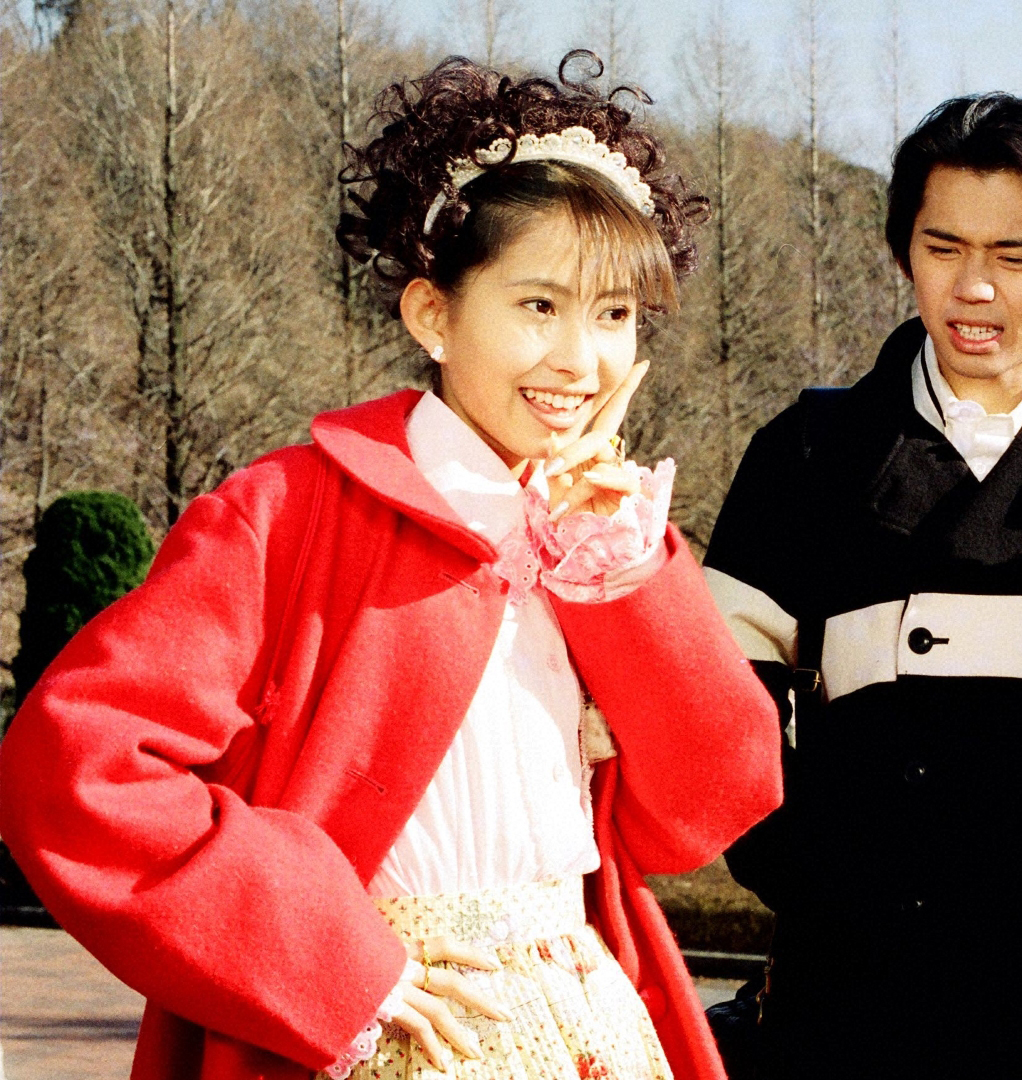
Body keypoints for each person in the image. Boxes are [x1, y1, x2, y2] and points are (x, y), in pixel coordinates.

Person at [0, 53, 780, 1080]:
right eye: (538, 306)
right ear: (432, 316)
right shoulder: (287, 512)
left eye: (614, 315)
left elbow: (712, 807)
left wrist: (629, 581)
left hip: (593, 1023)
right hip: (382, 1031)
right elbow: (75, 766)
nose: (580, 360)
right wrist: (339, 963)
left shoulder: (603, 537)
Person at [701, 93, 1022, 1079]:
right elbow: (723, 722)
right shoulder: (805, 457)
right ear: (904, 252)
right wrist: (822, 883)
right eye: (943, 248)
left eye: (1015, 257)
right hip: (848, 1007)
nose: (973, 288)